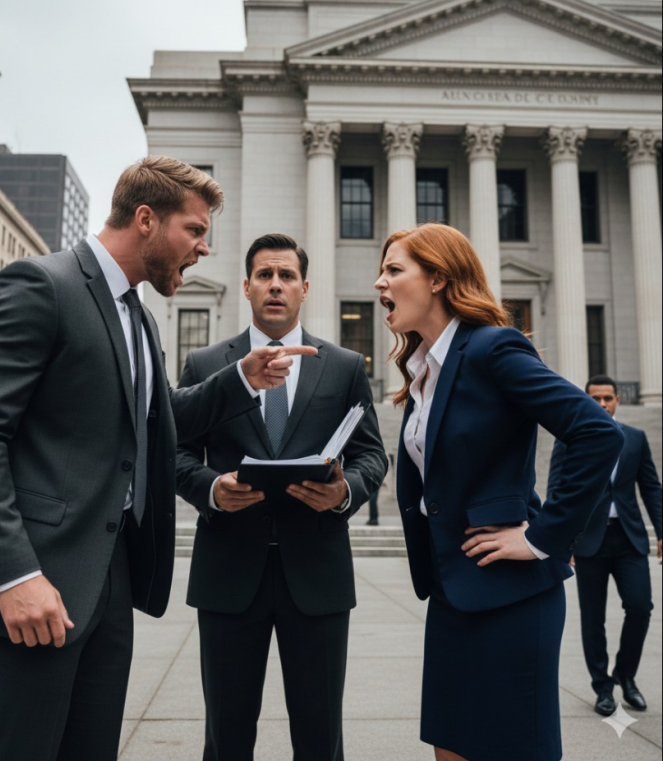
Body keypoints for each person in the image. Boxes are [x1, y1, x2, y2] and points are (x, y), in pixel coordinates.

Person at [0, 157, 315, 761]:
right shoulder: (39, 284)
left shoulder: (137, 315)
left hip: (108, 583)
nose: (204, 247)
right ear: (146, 220)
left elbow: (157, 423)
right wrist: (15, 575)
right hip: (33, 580)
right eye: (195, 230)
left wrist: (241, 378)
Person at [374, 223, 624, 761]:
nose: (380, 282)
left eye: (394, 269)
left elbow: (597, 432)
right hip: (452, 592)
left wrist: (542, 538)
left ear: (438, 278)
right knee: (451, 749)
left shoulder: (493, 347)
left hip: (512, 597)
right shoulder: (423, 371)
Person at [177, 233, 387, 761]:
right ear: (247, 286)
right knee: (226, 737)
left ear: (304, 288)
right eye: (265, 275)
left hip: (317, 573)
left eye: (287, 275)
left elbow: (371, 455)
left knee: (320, 737)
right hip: (228, 573)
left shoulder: (343, 366)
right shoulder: (206, 364)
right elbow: (176, 453)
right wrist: (211, 489)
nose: (276, 285)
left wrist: (344, 492)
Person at [548, 375, 662, 717]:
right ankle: (603, 687)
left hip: (628, 538)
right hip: (588, 541)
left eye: (607, 398)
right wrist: (560, 540)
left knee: (640, 608)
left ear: (616, 400)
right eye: (595, 398)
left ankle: (625, 674)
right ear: (586, 400)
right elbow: (557, 489)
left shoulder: (636, 438)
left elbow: (651, 487)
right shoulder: (570, 437)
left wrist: (661, 531)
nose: (601, 404)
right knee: (592, 619)